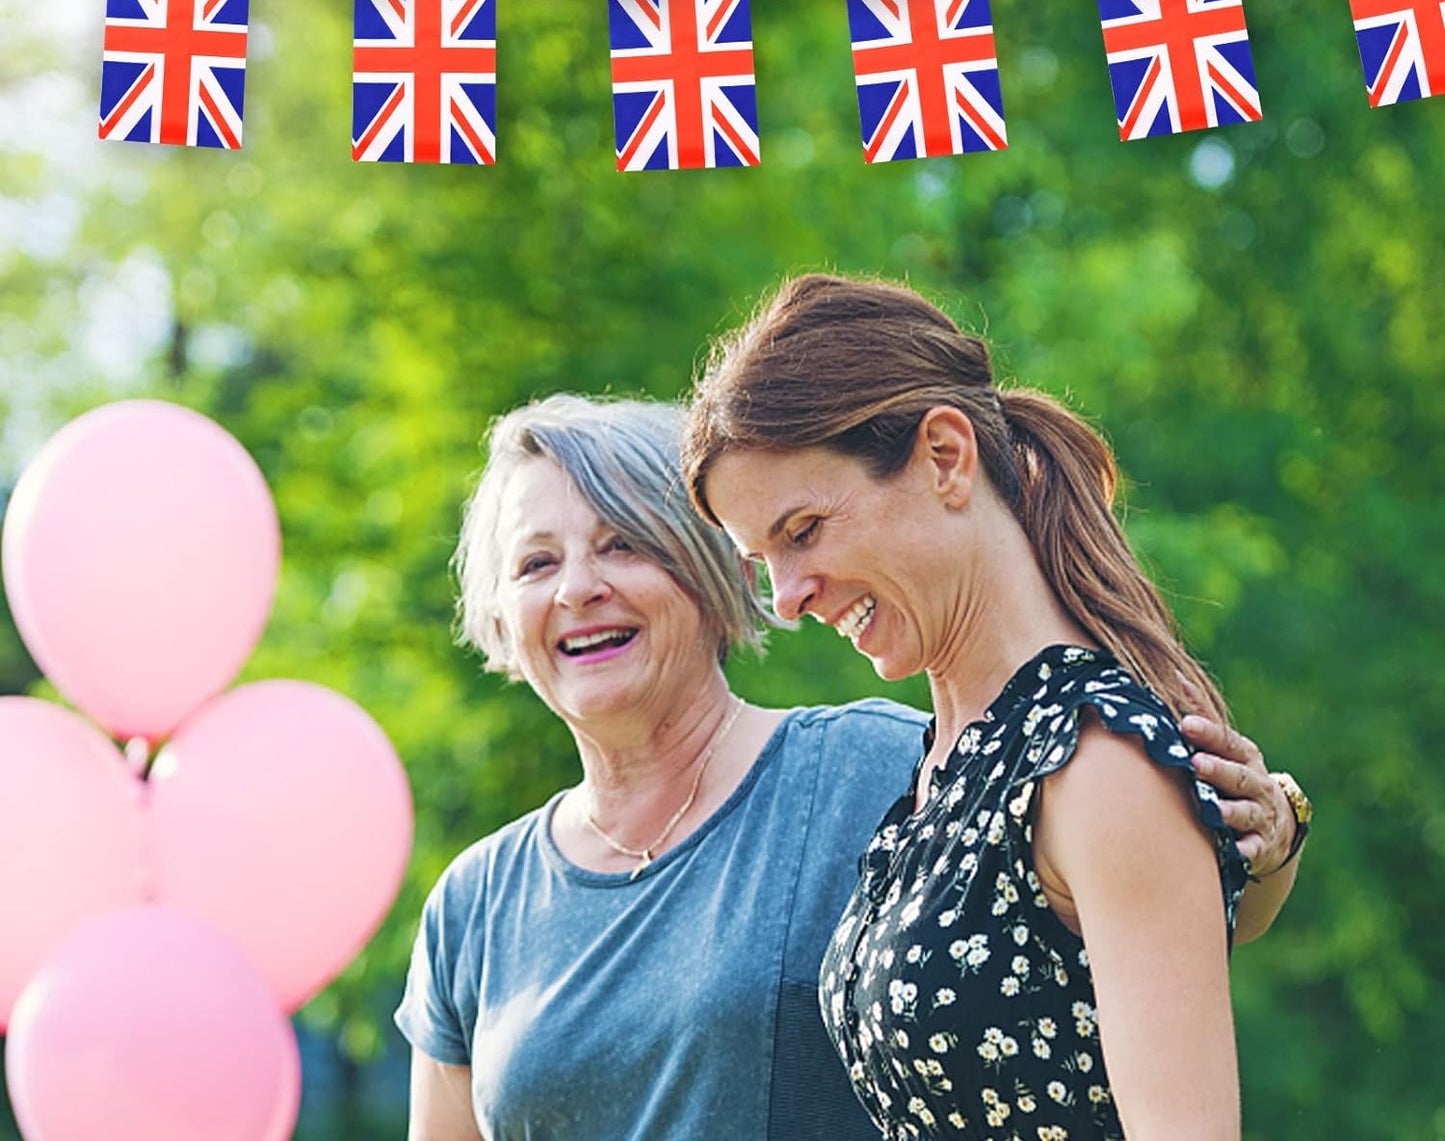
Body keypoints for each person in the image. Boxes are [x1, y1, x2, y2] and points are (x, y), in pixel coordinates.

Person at [397, 392, 1302, 1141]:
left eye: (623, 543)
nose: (577, 588)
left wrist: (1271, 836)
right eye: (535, 562)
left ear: (714, 577)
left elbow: (1152, 907)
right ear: (498, 616)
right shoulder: (473, 906)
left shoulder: (873, 767)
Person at [681, 273, 1309, 1141]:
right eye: (763, 561)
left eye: (803, 531)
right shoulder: (955, 755)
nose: (785, 598)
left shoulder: (1092, 761)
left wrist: (1272, 837)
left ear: (944, 455)